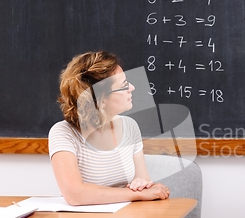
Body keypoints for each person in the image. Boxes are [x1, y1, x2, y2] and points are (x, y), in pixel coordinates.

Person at [48, 51, 170, 206]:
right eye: (124, 85)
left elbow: (143, 182)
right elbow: (75, 195)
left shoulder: (130, 126)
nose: (131, 88)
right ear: (101, 100)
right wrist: (135, 194)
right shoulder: (63, 133)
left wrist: (142, 184)